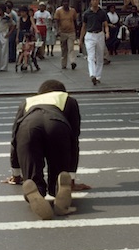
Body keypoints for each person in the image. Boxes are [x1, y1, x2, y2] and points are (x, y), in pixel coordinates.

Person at [9, 80, 83, 220]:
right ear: (62, 92)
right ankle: (58, 187)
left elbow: (14, 140)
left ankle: (35, 188)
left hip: (27, 127)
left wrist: (16, 174)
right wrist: (72, 177)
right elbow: (74, 140)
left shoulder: (27, 101)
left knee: (31, 173)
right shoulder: (68, 100)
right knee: (58, 167)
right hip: (57, 124)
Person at [80, 0, 110, 86]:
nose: (95, 2)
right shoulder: (86, 13)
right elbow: (84, 27)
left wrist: (107, 32)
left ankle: (98, 76)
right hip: (90, 36)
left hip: (99, 34)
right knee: (91, 56)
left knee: (100, 57)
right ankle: (92, 74)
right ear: (90, 2)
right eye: (93, 0)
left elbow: (105, 24)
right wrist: (80, 39)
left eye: (96, 0)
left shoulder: (102, 12)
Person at [54, 0, 78, 70]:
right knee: (64, 49)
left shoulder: (73, 11)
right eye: (64, 2)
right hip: (62, 32)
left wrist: (77, 31)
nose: (66, 4)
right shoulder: (58, 11)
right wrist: (57, 30)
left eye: (67, 2)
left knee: (71, 48)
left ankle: (72, 62)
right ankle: (63, 64)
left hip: (71, 32)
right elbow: (56, 21)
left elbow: (75, 21)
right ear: (62, 4)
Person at [0, 2, 16, 72]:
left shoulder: (7, 17)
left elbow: (13, 25)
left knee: (4, 51)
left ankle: (3, 67)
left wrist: (9, 33)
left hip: (4, 34)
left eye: (0, 10)